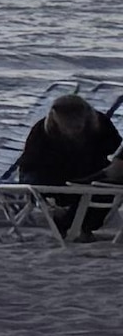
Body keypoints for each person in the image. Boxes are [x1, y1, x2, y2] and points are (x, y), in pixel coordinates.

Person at [21, 87, 120, 242]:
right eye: (69, 126)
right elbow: (31, 166)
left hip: (90, 175)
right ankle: (69, 224)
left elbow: (116, 152)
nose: (74, 130)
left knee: (107, 187)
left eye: (77, 126)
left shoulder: (101, 125)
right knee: (83, 188)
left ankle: (80, 227)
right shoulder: (43, 130)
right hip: (50, 175)